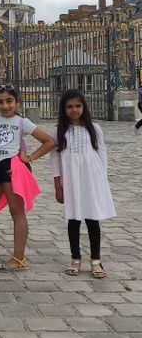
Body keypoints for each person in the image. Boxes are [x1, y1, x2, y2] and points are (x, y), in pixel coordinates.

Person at [0, 84, 54, 272]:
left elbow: (49, 141)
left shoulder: (23, 123)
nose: (5, 106)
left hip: (12, 168)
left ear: (17, 102)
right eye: (0, 102)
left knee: (17, 212)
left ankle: (19, 258)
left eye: (9, 101)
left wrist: (30, 157)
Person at [51, 89, 115, 278]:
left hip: (91, 178)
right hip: (71, 179)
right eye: (70, 106)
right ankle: (75, 258)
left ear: (84, 107)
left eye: (78, 106)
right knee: (73, 219)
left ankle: (96, 260)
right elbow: (54, 159)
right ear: (63, 109)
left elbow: (101, 152)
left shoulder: (94, 128)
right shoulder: (59, 131)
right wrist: (58, 184)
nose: (74, 110)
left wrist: (101, 178)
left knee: (92, 219)